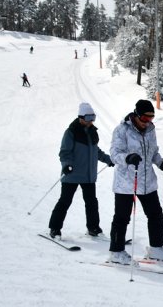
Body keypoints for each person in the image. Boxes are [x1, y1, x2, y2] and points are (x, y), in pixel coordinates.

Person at [108, 99, 163, 265]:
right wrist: (128, 158)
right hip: (126, 182)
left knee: (155, 214)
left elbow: (153, 152)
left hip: (147, 181)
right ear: (136, 115)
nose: (148, 122)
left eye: (151, 118)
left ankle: (156, 249)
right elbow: (114, 154)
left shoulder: (151, 130)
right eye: (145, 118)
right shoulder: (122, 130)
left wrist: (162, 164)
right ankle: (116, 252)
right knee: (122, 218)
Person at [48, 103, 114, 240]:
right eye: (89, 117)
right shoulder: (71, 132)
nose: (91, 121)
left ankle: (93, 228)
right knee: (65, 201)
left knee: (91, 202)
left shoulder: (92, 132)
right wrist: (67, 165)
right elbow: (64, 152)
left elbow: (96, 151)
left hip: (88, 176)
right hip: (72, 174)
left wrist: (108, 159)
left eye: (93, 117)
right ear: (81, 117)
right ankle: (55, 228)